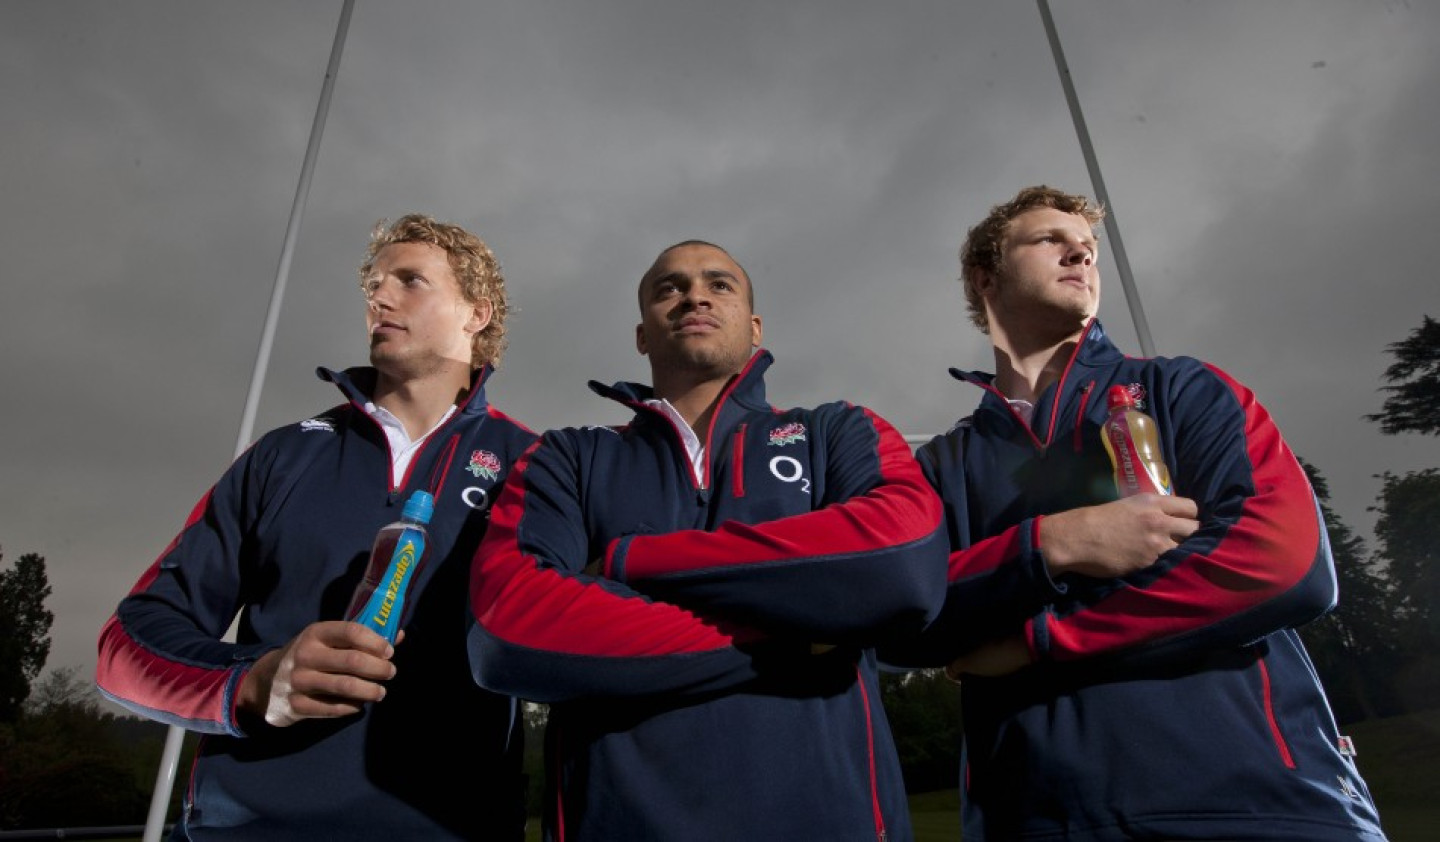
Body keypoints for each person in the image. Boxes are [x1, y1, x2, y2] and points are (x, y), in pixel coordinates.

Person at [884, 185, 1388, 841]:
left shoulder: (1184, 390)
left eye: (1088, 246)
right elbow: (896, 614)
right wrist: (1050, 547)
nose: (1080, 252)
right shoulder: (942, 467)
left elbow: (1282, 564)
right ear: (986, 277)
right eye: (1049, 239)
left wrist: (1039, 639)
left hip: (1260, 807)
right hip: (1038, 820)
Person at [465, 240, 949, 841]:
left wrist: (627, 561)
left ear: (754, 325)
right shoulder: (570, 455)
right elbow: (507, 630)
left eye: (720, 284)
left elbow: (900, 564)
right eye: (668, 288)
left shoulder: (837, 430)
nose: (694, 294)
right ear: (642, 335)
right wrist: (800, 627)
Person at [96, 214, 537, 840]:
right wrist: (252, 683)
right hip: (251, 828)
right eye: (375, 287)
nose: (380, 298)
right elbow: (126, 645)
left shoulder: (536, 465)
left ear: (477, 314)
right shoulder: (283, 455)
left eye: (410, 281)